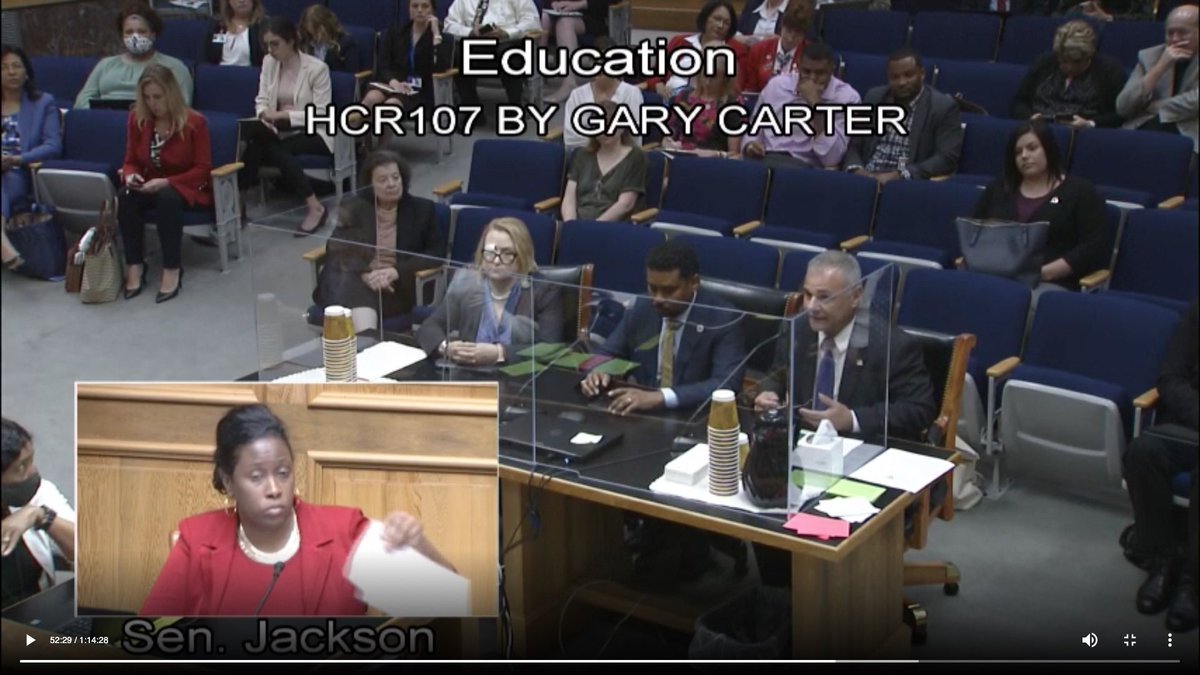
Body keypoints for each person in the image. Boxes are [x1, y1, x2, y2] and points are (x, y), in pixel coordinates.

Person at [141, 404, 455, 616]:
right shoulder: (197, 540)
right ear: (228, 481)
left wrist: (418, 544)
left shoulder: (343, 532)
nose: (274, 488)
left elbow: (445, 605)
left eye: (283, 473)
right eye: (256, 477)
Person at [754, 250, 936, 441]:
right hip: (802, 442)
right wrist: (769, 392)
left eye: (824, 297)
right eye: (808, 295)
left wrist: (852, 419)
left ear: (855, 296)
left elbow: (919, 409)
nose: (811, 306)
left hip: (860, 446)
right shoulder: (797, 328)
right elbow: (777, 374)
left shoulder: (892, 345)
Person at [581, 239, 747, 415]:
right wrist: (598, 372)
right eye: (652, 288)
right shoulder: (641, 308)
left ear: (694, 282)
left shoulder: (723, 318)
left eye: (669, 290)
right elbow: (607, 353)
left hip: (696, 415)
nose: (658, 299)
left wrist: (662, 397)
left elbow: (726, 384)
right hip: (641, 411)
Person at [1123, 297, 1198, 633]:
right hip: (1188, 424)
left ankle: (1193, 581)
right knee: (1142, 452)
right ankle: (1163, 560)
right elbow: (1170, 378)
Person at [316, 150, 445, 333]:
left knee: (349, 289)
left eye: (395, 177)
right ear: (370, 185)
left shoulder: (422, 210)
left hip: (395, 288)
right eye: (382, 180)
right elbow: (336, 246)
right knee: (351, 283)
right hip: (357, 278)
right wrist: (365, 274)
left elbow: (436, 253)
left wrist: (395, 272)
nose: (391, 184)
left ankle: (364, 342)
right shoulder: (355, 207)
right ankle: (368, 341)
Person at [972, 119, 1108, 290]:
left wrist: (1042, 273)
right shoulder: (998, 189)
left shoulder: (1080, 191)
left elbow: (1091, 248)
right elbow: (975, 233)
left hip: (1050, 283)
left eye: (1032, 148)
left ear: (1048, 149)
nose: (1024, 156)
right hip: (996, 276)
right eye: (1018, 152)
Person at [118, 65, 212, 304]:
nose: (152, 104)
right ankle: (135, 265)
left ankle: (172, 268)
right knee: (126, 195)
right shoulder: (137, 119)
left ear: (171, 93)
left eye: (158, 97)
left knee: (167, 198)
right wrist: (131, 175)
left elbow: (202, 170)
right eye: (147, 97)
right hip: (151, 184)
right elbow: (130, 161)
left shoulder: (194, 123)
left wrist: (167, 182)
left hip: (188, 188)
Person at [417, 217, 563, 365]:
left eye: (507, 253)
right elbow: (430, 326)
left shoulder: (544, 290)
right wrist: (446, 348)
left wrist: (499, 353)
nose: (496, 261)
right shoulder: (468, 282)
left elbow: (550, 348)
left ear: (523, 255)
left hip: (520, 375)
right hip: (469, 372)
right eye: (490, 253)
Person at [242, 16, 333, 237]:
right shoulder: (269, 62)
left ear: (291, 41)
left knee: (273, 149)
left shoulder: (317, 69)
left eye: (275, 44)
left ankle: (315, 207)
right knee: (254, 145)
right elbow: (262, 99)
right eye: (266, 45)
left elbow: (321, 114)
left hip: (313, 130)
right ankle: (239, 206)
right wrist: (264, 115)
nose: (270, 50)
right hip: (277, 128)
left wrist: (284, 115)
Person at [843, 48, 963, 183]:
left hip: (906, 182)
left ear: (922, 74)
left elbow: (946, 158)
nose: (902, 82)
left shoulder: (942, 107)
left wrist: (901, 175)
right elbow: (854, 144)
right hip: (867, 177)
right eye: (895, 77)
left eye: (908, 75)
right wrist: (857, 169)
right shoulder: (874, 97)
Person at [741, 42, 860, 169]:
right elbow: (754, 131)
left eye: (820, 73)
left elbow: (831, 159)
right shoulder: (776, 86)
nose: (812, 79)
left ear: (832, 70)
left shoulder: (847, 98)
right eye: (806, 71)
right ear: (798, 66)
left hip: (806, 168)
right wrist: (751, 145)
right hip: (766, 159)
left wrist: (816, 105)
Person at [2, 418, 76, 610]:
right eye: (21, 467)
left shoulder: (39, 494)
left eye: (30, 461)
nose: (32, 471)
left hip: (35, 616)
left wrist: (41, 516)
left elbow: (92, 552)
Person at [1, 44, 62, 261]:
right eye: (4, 67)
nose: (11, 72)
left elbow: (53, 145)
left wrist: (17, 159)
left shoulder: (43, 102)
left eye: (16, 66)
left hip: (20, 170)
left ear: (26, 71)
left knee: (7, 180)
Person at [1010, 19, 1127, 128]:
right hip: (1040, 129)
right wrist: (1030, 117)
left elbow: (1120, 113)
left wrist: (1090, 124)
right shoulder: (1044, 63)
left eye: (1076, 62)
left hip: (1083, 132)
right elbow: (1019, 103)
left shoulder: (1109, 70)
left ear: (1089, 56)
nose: (1069, 67)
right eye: (1063, 61)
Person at [74, 2, 193, 109]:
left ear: (153, 34)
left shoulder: (174, 67)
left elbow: (182, 106)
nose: (135, 37)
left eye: (141, 32)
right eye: (129, 32)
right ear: (122, 36)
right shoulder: (105, 65)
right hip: (105, 121)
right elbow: (82, 101)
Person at [1116, 4, 1198, 151]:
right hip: (1145, 127)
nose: (1175, 39)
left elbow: (1195, 100)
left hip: (1189, 132)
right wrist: (1160, 67)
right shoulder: (1149, 56)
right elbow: (1123, 106)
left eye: (1182, 33)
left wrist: (1157, 107)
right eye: (1170, 33)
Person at [444, 0, 541, 115]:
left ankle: (514, 110)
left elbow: (532, 23)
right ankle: (472, 110)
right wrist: (470, 32)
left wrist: (507, 33)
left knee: (510, 55)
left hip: (507, 42)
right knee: (457, 55)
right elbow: (449, 25)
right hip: (474, 45)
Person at [561, 99, 646, 221]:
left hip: (611, 226)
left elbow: (625, 204)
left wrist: (592, 227)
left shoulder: (635, 157)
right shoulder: (582, 155)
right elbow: (569, 198)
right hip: (577, 223)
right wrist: (570, 224)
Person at [646, 1, 748, 98]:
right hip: (667, 96)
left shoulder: (737, 51)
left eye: (726, 23)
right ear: (705, 18)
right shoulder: (679, 41)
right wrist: (657, 84)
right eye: (717, 19)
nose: (720, 25)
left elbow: (735, 89)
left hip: (705, 102)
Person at [369, 0, 452, 115]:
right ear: (409, 9)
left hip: (421, 91)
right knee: (371, 98)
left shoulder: (440, 38)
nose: (419, 10)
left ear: (433, 10)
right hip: (395, 84)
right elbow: (383, 65)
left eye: (425, 6)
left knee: (391, 105)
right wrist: (393, 82)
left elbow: (440, 69)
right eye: (415, 6)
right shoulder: (396, 33)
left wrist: (436, 36)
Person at [561, 37, 643, 148]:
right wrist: (602, 142)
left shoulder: (631, 93)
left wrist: (602, 143)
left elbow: (634, 137)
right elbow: (570, 138)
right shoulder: (577, 95)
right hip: (584, 154)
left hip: (620, 156)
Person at [663, 49, 745, 157]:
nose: (707, 81)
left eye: (714, 77)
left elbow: (735, 154)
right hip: (680, 156)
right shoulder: (683, 96)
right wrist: (668, 142)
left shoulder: (732, 103)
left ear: (725, 79)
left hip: (713, 161)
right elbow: (669, 134)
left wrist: (715, 154)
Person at [540, 0, 612, 102]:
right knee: (543, 18)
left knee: (564, 22)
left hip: (590, 16)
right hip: (560, 12)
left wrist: (579, 4)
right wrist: (553, 3)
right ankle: (536, 79)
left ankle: (569, 83)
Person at [738, 6, 810, 95]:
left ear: (804, 34)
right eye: (788, 31)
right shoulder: (759, 50)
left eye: (797, 34)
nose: (790, 38)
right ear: (781, 27)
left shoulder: (809, 53)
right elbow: (750, 90)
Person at [298, 4, 361, 74]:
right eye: (310, 33)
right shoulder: (306, 42)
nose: (314, 38)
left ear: (326, 26)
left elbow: (351, 76)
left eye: (316, 32)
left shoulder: (346, 43)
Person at [205, 0, 267, 67]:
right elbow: (206, 57)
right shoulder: (216, 26)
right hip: (219, 71)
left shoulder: (262, 26)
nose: (241, 1)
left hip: (248, 72)